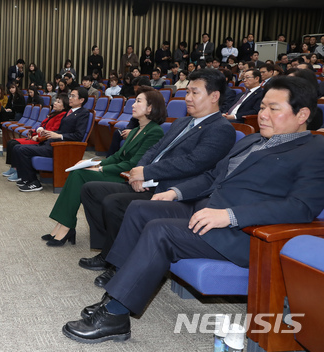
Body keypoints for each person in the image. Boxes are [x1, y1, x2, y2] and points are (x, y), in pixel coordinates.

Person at [62, 76, 324, 345]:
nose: (263, 114)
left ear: (302, 114)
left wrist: (230, 216)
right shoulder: (252, 140)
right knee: (140, 209)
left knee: (160, 230)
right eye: (263, 107)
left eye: (273, 108)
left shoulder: (314, 150)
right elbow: (212, 176)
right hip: (206, 211)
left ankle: (115, 315)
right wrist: (176, 192)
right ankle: (115, 293)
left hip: (244, 233)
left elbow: (301, 207)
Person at [78, 69, 236, 282]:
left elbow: (194, 163)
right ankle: (108, 251)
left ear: (214, 96)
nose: (187, 98)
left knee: (113, 203)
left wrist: (147, 172)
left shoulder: (221, 129)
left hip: (173, 190)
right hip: (150, 180)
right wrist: (139, 172)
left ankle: (119, 265)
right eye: (187, 92)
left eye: (194, 92)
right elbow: (154, 149)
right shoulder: (182, 122)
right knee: (91, 191)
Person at [42, 90, 167, 246]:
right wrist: (94, 163)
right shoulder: (135, 130)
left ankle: (66, 226)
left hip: (126, 176)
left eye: (138, 101)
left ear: (150, 108)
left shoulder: (155, 131)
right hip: (117, 170)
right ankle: (62, 224)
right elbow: (117, 156)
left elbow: (133, 164)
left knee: (79, 175)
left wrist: (100, 170)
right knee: (77, 171)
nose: (133, 105)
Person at [12, 87, 90, 192]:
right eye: (70, 95)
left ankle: (34, 182)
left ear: (81, 100)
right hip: (53, 143)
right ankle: (26, 178)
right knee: (17, 147)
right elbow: (62, 130)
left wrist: (58, 136)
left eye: (73, 96)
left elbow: (79, 135)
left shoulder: (83, 113)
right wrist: (48, 133)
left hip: (62, 148)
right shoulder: (70, 111)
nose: (70, 98)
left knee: (22, 150)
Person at [2, 93, 70, 182]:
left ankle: (18, 170)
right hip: (38, 135)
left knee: (14, 144)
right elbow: (41, 125)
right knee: (11, 142)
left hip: (42, 139)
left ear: (64, 106)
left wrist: (38, 135)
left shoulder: (61, 116)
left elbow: (52, 130)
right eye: (55, 101)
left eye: (58, 102)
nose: (55, 103)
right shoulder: (53, 114)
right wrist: (34, 131)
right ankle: (13, 167)